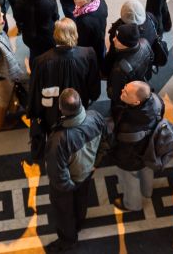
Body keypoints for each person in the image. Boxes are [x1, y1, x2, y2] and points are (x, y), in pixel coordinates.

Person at [45, 87, 108, 251]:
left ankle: (68, 240)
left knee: (64, 212)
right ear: (80, 104)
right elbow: (106, 141)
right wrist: (96, 163)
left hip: (69, 182)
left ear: (60, 108)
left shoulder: (59, 140)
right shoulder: (95, 116)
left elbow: (57, 174)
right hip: (87, 172)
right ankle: (79, 223)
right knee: (81, 200)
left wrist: (69, 187)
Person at [29, 18, 102, 145]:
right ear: (75, 33)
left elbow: (35, 89)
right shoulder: (88, 54)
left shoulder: (40, 61)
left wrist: (36, 112)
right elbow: (94, 85)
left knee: (54, 138)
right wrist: (92, 96)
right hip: (78, 103)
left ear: (55, 34)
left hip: (52, 110)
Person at [111, 81, 164, 212]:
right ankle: (147, 192)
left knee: (130, 178)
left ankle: (132, 204)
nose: (122, 91)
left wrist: (117, 158)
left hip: (132, 156)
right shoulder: (157, 100)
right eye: (124, 87)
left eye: (126, 92)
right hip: (150, 149)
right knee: (147, 169)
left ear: (135, 103)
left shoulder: (129, 124)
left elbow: (123, 149)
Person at [106, 22, 154, 110]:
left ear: (126, 44)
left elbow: (115, 94)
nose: (113, 39)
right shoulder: (145, 42)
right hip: (140, 82)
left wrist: (109, 90)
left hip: (124, 100)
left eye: (117, 39)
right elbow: (151, 59)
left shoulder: (120, 68)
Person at [15, 0, 59, 64]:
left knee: (34, 55)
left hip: (29, 37)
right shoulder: (51, 3)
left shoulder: (19, 4)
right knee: (50, 57)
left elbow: (18, 19)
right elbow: (56, 18)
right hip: (48, 37)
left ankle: (35, 73)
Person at [72, 0, 108, 75]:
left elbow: (82, 42)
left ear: (86, 1)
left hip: (90, 47)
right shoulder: (101, 1)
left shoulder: (85, 21)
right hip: (100, 37)